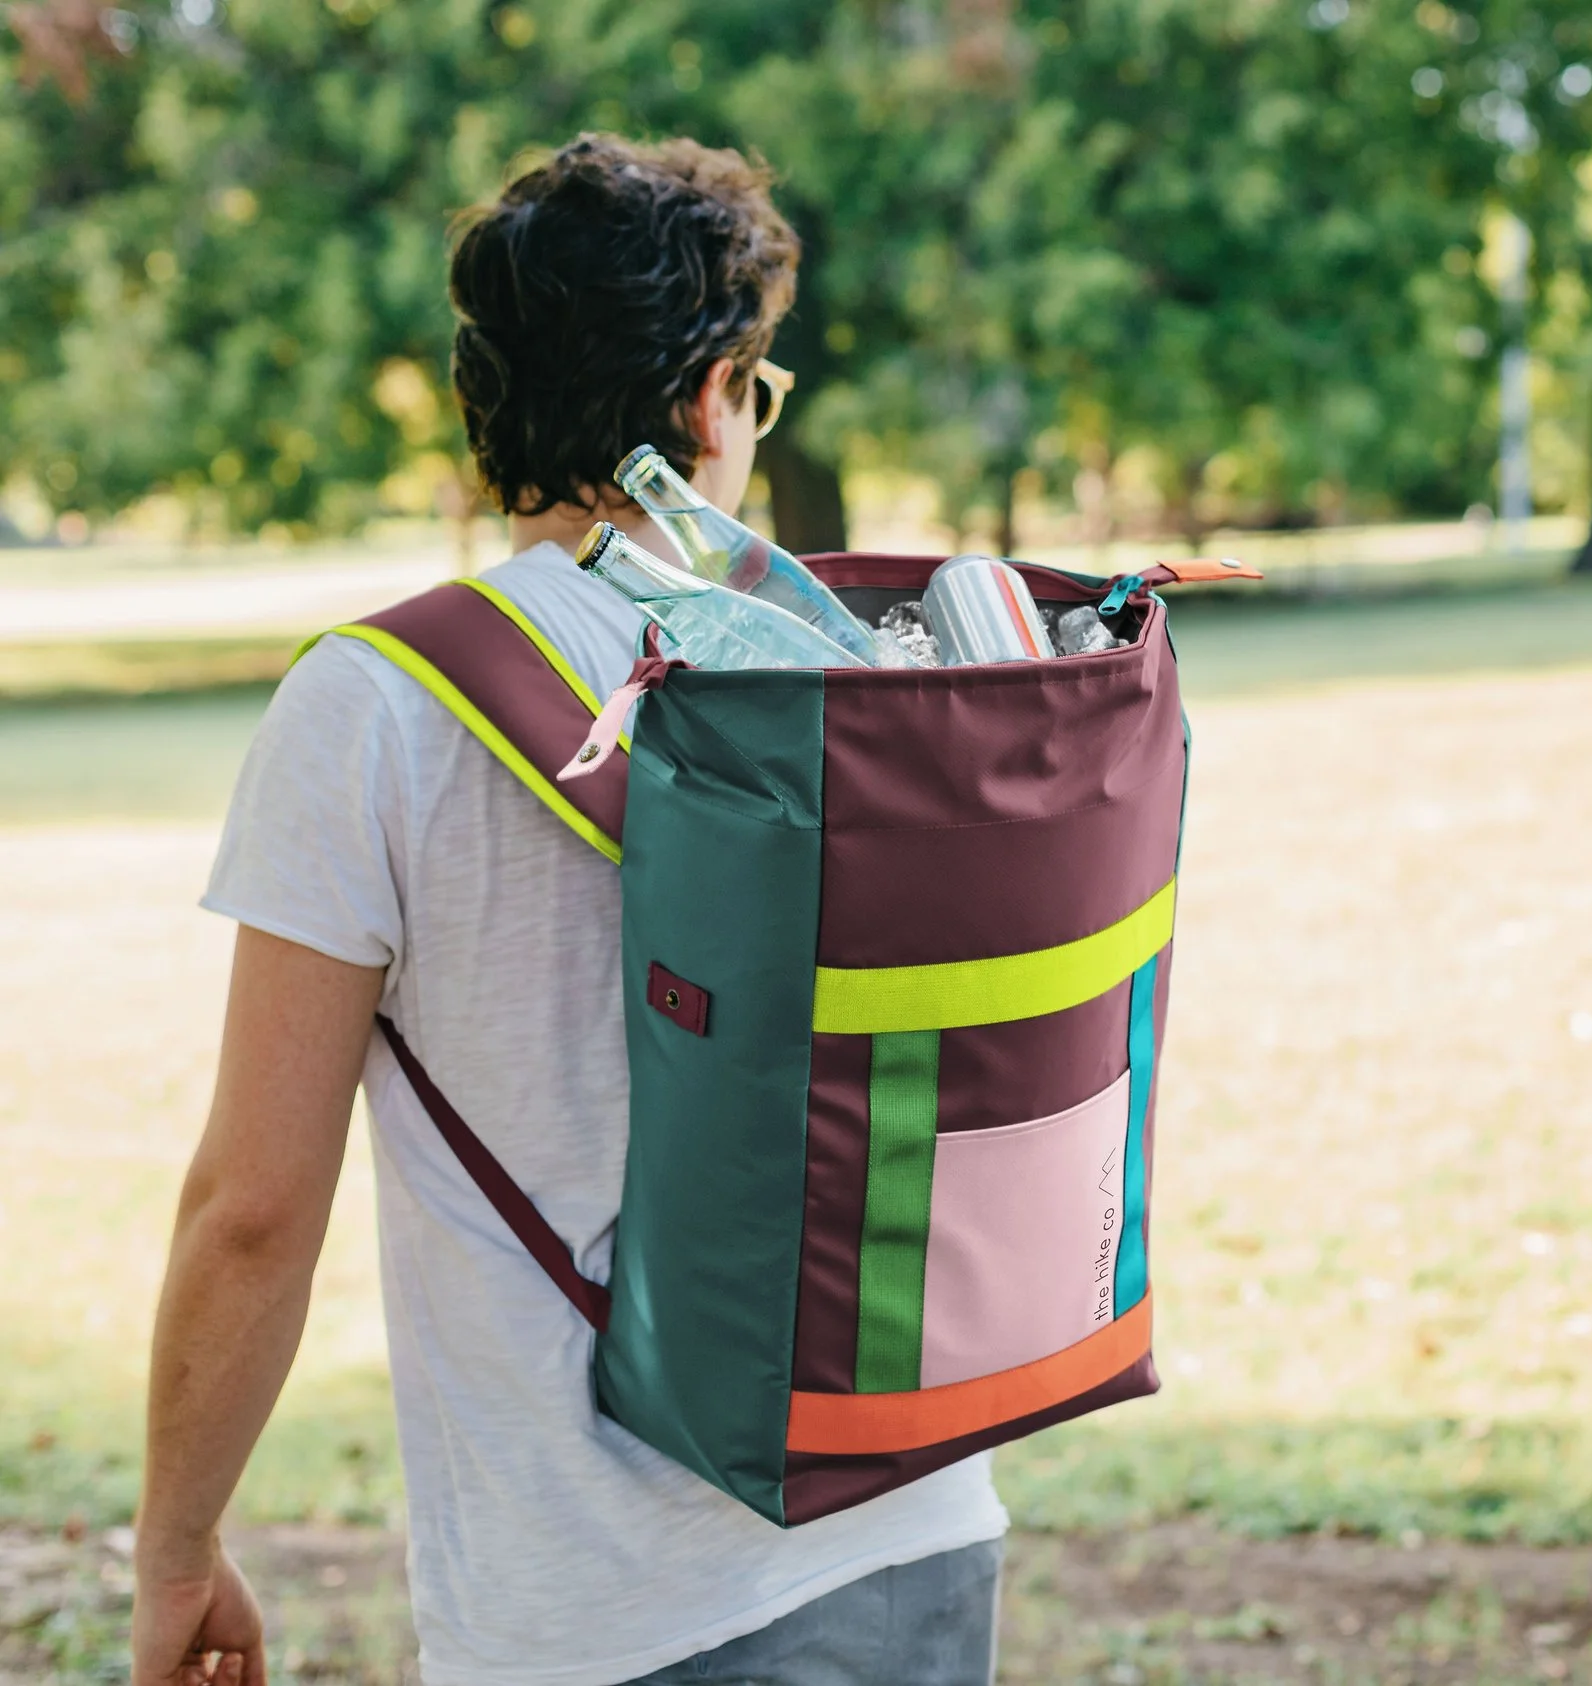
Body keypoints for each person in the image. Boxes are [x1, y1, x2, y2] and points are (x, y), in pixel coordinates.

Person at [131, 134, 1008, 1686]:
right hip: (915, 1518)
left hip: (597, 1601)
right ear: (710, 399)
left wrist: (177, 1548)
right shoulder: (855, 669)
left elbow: (254, 1212)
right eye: (760, 389)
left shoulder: (373, 708)